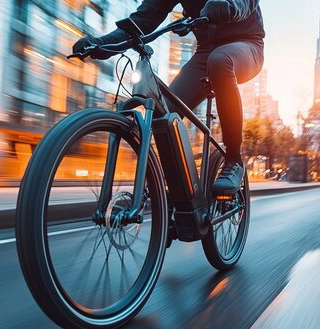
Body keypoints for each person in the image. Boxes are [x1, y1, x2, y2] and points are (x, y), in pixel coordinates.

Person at [73, 0, 265, 194]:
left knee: (220, 60)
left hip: (246, 44)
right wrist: (101, 43)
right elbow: (142, 21)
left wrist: (229, 5)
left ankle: (234, 159)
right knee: (164, 113)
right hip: (205, 51)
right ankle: (174, 193)